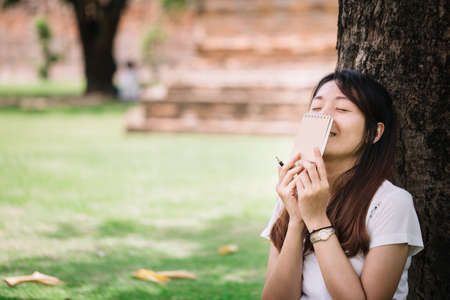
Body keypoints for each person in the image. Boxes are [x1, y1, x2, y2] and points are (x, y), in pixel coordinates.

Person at [261, 69, 423, 300]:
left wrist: (316, 219)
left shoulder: (392, 203)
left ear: (373, 133)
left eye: (342, 109)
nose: (324, 118)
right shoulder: (293, 193)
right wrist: (296, 219)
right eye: (316, 109)